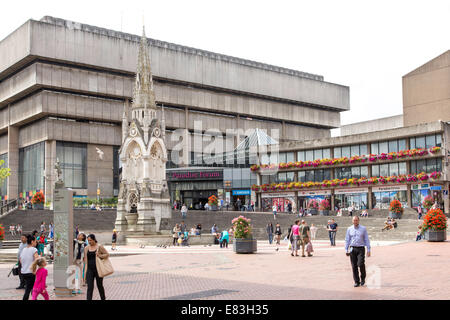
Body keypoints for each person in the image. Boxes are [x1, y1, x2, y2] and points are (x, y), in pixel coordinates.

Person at [345, 216, 371, 287]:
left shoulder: (363, 229)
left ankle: (363, 278)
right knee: (354, 266)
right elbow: (347, 240)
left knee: (360, 264)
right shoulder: (349, 229)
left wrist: (368, 249)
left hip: (361, 248)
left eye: (356, 220)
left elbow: (366, 239)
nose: (355, 222)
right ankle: (357, 281)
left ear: (358, 221)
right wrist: (346, 249)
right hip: (352, 248)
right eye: (354, 220)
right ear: (352, 221)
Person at [83, 234, 109, 300]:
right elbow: (86, 262)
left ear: (94, 239)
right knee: (90, 287)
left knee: (99, 286)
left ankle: (103, 298)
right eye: (88, 240)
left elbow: (107, 254)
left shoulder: (99, 247)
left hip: (98, 269)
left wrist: (100, 255)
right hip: (90, 269)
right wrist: (85, 274)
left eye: (91, 240)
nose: (89, 242)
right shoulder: (86, 248)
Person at [20, 235, 39, 300]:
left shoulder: (24, 249)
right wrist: (34, 269)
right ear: (32, 241)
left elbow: (20, 260)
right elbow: (37, 259)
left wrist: (25, 266)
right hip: (30, 273)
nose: (36, 243)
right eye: (35, 242)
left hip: (23, 272)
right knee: (28, 290)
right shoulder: (34, 249)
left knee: (31, 288)